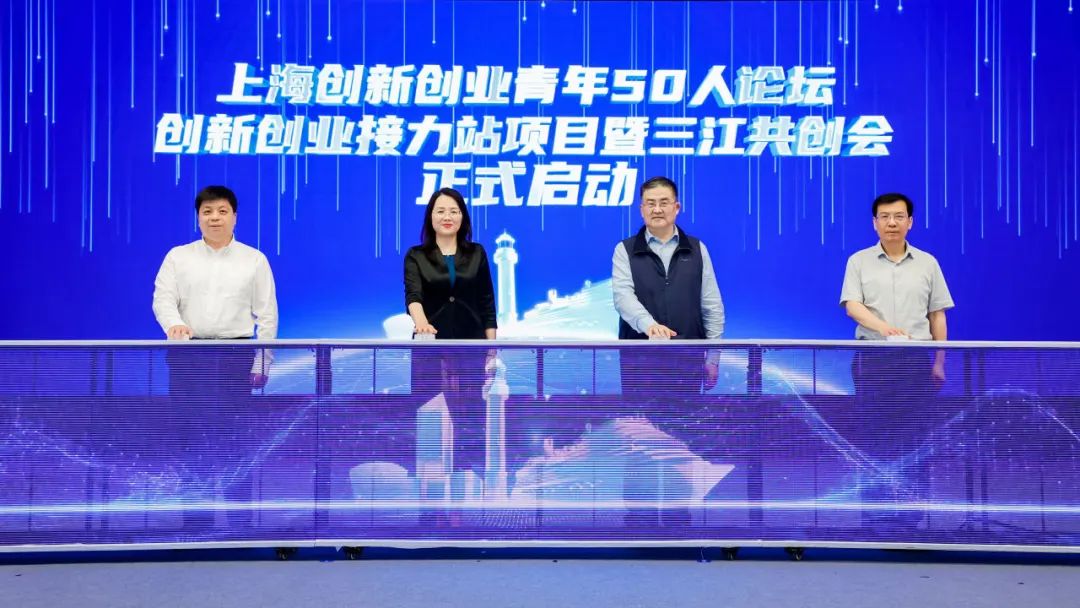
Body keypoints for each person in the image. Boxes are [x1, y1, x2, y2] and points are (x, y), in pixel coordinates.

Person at [151, 185, 278, 533]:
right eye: (207, 212)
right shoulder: (178, 257)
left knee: (236, 439)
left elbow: (267, 316)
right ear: (198, 218)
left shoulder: (254, 259)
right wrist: (174, 325)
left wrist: (263, 361)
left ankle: (240, 522)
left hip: (235, 357)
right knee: (191, 438)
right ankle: (196, 521)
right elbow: (163, 299)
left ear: (234, 217)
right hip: (189, 357)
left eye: (222, 211)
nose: (214, 218)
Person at [839, 192, 955, 533]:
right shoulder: (859, 261)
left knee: (915, 437)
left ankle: (911, 513)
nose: (892, 223)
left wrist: (939, 361)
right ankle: (875, 513)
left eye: (899, 216)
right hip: (873, 359)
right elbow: (852, 306)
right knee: (873, 435)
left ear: (910, 222)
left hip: (915, 360)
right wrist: (883, 328)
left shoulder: (927, 263)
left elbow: (937, 315)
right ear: (874, 223)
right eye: (885, 217)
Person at [404, 187, 497, 477]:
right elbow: (413, 296)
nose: (447, 216)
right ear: (430, 217)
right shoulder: (416, 255)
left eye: (454, 211)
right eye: (441, 211)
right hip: (431, 351)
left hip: (471, 348)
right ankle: (431, 482)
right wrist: (421, 323)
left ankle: (470, 479)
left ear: (462, 217)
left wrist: (491, 349)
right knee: (432, 417)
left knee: (471, 415)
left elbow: (487, 302)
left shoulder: (477, 253)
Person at [612, 176, 725, 396]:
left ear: (676, 207)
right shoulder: (624, 250)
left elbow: (711, 306)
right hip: (639, 361)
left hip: (688, 359)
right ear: (642, 209)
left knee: (686, 417)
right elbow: (623, 297)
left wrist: (713, 358)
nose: (657, 209)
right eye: (650, 203)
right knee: (639, 418)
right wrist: (650, 326)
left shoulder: (697, 249)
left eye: (664, 203)